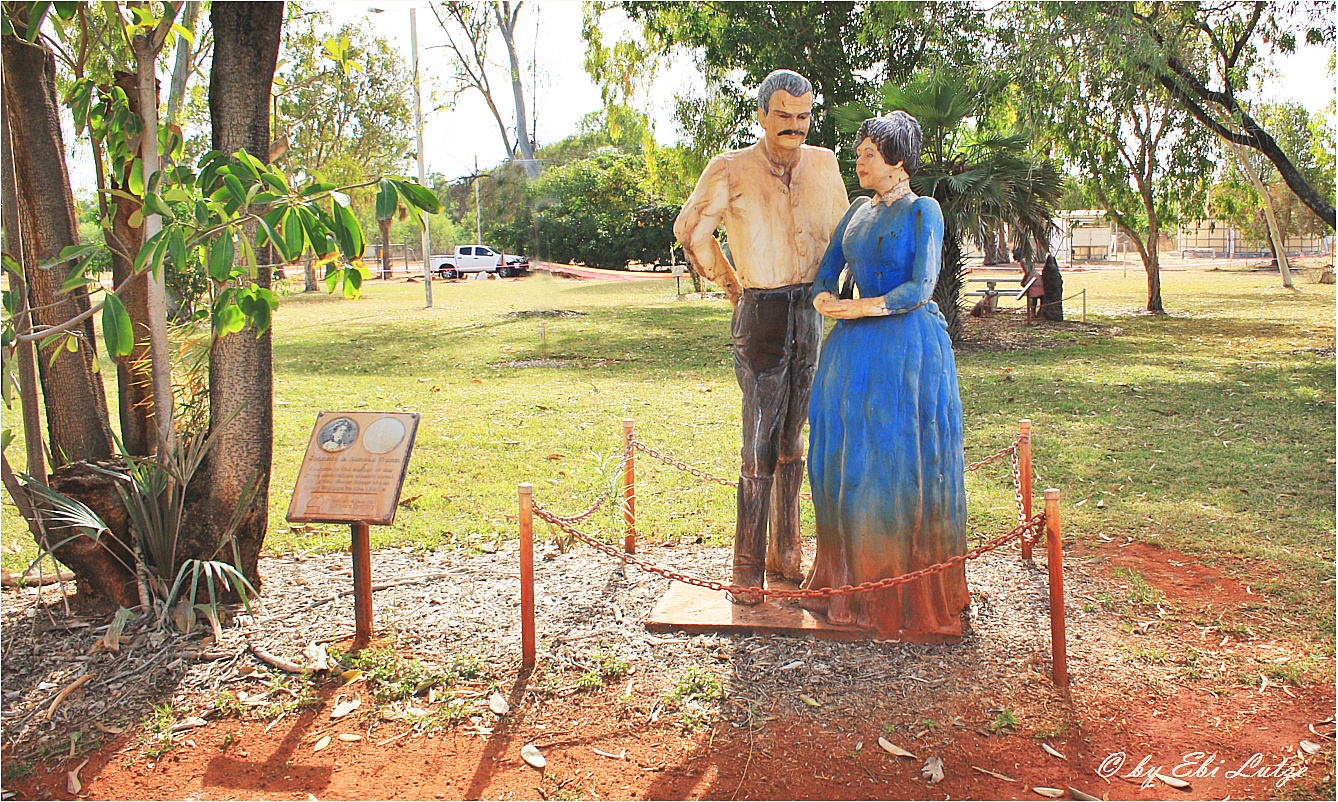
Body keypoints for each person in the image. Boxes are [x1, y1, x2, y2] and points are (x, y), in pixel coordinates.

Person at [674, 69, 849, 603]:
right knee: (758, 444)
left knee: (794, 438)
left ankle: (786, 550)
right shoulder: (730, 168)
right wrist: (730, 283)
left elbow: (846, 233)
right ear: (761, 116)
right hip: (762, 310)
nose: (794, 127)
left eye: (803, 117)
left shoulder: (824, 164)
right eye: (783, 117)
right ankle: (746, 567)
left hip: (810, 311)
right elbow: (691, 230)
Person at [801, 112, 969, 641]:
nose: (859, 161)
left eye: (869, 154)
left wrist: (861, 308)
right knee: (847, 457)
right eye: (860, 153)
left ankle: (901, 587)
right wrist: (826, 299)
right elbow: (826, 272)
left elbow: (921, 285)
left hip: (906, 348)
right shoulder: (855, 211)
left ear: (897, 159)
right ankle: (848, 577)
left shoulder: (924, 211)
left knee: (898, 458)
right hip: (850, 351)